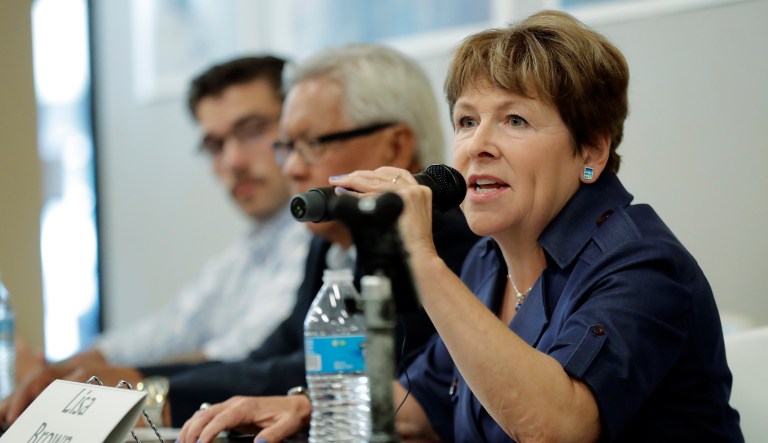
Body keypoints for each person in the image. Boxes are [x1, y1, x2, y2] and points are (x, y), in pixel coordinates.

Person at [177, 10, 744, 443]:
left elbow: (554, 427)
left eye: (515, 119)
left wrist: (421, 261)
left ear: (591, 149)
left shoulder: (642, 265)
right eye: (467, 120)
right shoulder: (488, 260)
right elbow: (419, 399)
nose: (478, 146)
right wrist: (304, 407)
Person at [1, 44, 480, 428]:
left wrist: (148, 389)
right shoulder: (328, 242)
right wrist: (137, 381)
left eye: (311, 144)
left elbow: (347, 376)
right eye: (286, 147)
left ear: (395, 144)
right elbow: (273, 357)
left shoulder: (442, 241)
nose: (291, 168)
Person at [1, 55, 310, 411]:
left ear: (298, 127)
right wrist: (61, 370)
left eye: (252, 130)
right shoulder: (250, 249)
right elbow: (170, 328)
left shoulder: (319, 239)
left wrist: (114, 379)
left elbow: (244, 358)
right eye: (215, 145)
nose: (233, 162)